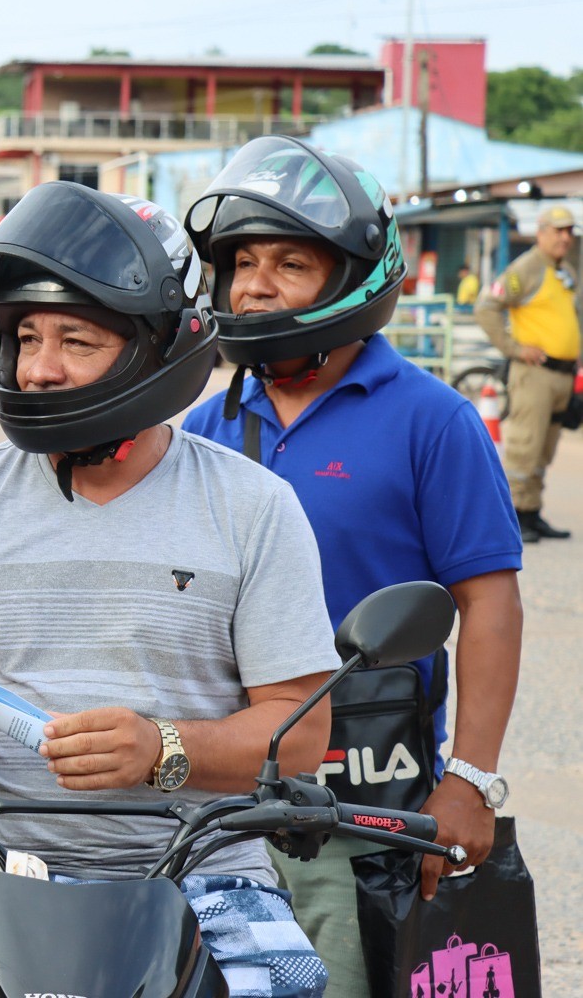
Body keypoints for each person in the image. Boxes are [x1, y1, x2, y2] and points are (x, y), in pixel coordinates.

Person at [0, 182, 336, 998]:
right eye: (26, 337)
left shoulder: (252, 506)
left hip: (206, 871)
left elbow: (297, 735)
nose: (40, 369)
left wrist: (166, 751)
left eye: (76, 340)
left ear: (155, 347)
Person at [180, 136, 524, 998]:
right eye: (241, 263)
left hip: (365, 801)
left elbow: (488, 603)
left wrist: (470, 781)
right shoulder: (205, 426)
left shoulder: (431, 420)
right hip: (228, 801)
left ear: (352, 279)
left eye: (290, 262)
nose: (254, 284)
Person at [475, 204, 580, 542]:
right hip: (535, 373)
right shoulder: (527, 268)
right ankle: (516, 517)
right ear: (541, 232)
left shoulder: (565, 271)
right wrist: (514, 349)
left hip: (562, 375)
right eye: (559, 230)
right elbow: (487, 306)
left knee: (545, 449)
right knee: (525, 446)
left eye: (570, 231)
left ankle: (532, 513)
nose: (566, 237)